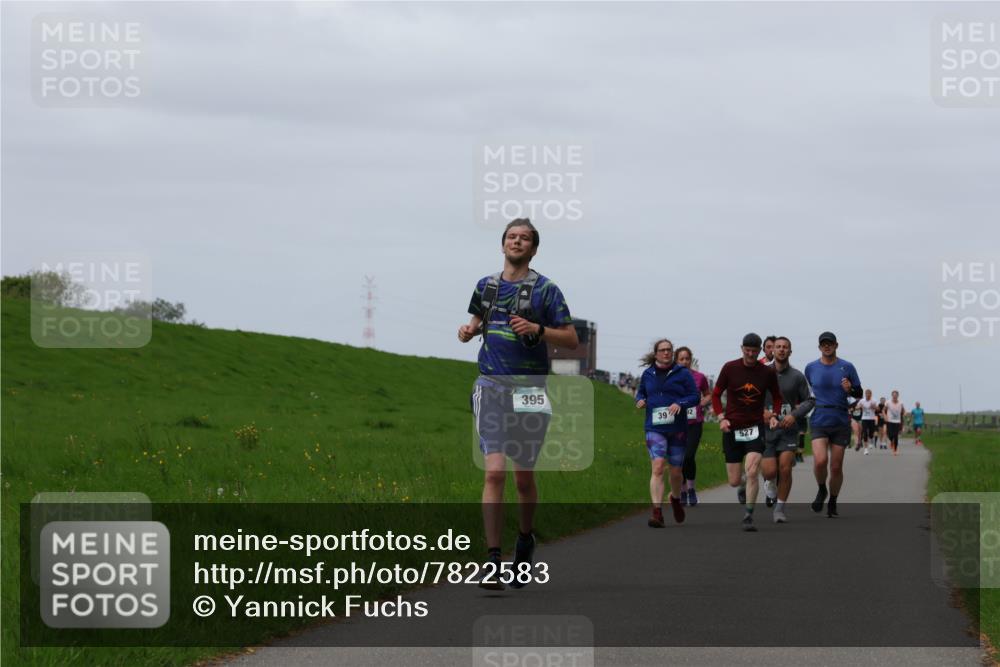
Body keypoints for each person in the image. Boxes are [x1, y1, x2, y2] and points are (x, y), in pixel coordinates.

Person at [458, 218, 578, 590]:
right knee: (494, 473)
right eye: (512, 236)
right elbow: (476, 322)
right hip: (491, 385)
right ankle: (493, 560)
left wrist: (538, 330)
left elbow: (572, 340)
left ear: (534, 248)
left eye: (525, 238)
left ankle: (525, 540)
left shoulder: (547, 290)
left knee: (523, 478)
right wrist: (467, 331)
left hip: (529, 390)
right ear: (503, 244)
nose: (517, 241)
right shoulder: (486, 285)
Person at [712, 333, 782, 532]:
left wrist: (775, 414)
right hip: (732, 427)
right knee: (734, 481)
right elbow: (716, 394)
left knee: (752, 471)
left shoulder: (767, 373)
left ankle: (749, 515)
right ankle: (741, 485)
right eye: (747, 350)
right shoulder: (730, 367)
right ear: (741, 348)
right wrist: (720, 417)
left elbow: (777, 396)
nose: (750, 354)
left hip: (755, 427)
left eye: (754, 351)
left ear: (760, 350)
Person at [635, 340, 700, 526]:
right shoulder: (648, 374)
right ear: (655, 354)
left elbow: (694, 396)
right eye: (662, 350)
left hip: (677, 429)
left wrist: (680, 403)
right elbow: (641, 393)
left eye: (669, 350)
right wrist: (640, 400)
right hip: (654, 427)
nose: (666, 353)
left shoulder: (683, 373)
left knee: (676, 471)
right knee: (657, 467)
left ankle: (676, 499)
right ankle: (657, 512)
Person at [804, 332, 863, 518]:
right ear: (819, 347)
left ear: (836, 345)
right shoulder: (811, 368)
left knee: (836, 467)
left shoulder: (847, 367)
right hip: (819, 417)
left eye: (830, 344)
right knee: (820, 461)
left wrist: (850, 389)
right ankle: (822, 489)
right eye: (823, 344)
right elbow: (807, 392)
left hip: (839, 419)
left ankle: (833, 501)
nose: (827, 346)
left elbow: (859, 393)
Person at [761, 336, 815, 523]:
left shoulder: (797, 376)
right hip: (766, 430)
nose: (782, 350)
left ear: (790, 352)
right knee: (769, 471)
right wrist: (763, 413)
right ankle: (769, 484)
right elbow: (749, 398)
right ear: (772, 351)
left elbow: (809, 401)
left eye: (785, 347)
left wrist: (794, 415)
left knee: (785, 468)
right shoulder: (762, 373)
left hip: (788, 429)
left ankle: (780, 509)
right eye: (778, 347)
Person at [675, 346, 712, 506]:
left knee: (689, 456)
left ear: (691, 360)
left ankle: (691, 489)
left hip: (694, 423)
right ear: (676, 361)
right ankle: (683, 491)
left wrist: (703, 402)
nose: (684, 362)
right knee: (680, 458)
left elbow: (708, 394)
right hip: (677, 423)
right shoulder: (671, 378)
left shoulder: (699, 377)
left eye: (687, 359)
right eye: (681, 359)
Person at [885, 390, 906, 456]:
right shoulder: (888, 402)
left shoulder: (901, 403)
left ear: (897, 396)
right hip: (890, 421)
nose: (894, 396)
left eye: (896, 395)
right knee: (890, 435)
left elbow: (904, 410)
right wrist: (885, 416)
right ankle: (891, 441)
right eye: (893, 395)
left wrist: (904, 413)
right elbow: (883, 410)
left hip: (897, 421)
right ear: (892, 395)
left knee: (896, 435)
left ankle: (895, 450)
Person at [858, 389, 878, 454]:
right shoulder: (862, 401)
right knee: (865, 433)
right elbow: (857, 407)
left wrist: (874, 407)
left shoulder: (874, 400)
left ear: (871, 395)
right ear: (865, 394)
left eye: (869, 394)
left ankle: (871, 439)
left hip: (872, 419)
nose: (868, 395)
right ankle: (866, 449)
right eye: (867, 394)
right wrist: (860, 407)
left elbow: (878, 409)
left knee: (871, 432)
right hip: (864, 418)